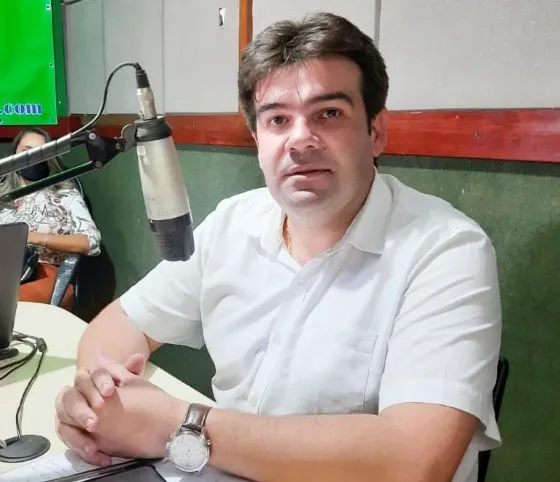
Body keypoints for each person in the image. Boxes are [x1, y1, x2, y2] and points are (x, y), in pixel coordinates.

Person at [54, 12, 502, 482]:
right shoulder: (233, 224)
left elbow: (415, 461)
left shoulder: (447, 250)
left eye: (329, 114)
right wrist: (98, 406)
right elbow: (118, 326)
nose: (300, 139)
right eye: (278, 119)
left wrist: (179, 425)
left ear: (376, 131)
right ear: (257, 140)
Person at [0, 127, 101, 309]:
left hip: (45, 273)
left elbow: (90, 241)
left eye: (40, 152)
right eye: (26, 151)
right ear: (14, 155)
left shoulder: (65, 194)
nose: (32, 158)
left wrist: (35, 238)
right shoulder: (3, 194)